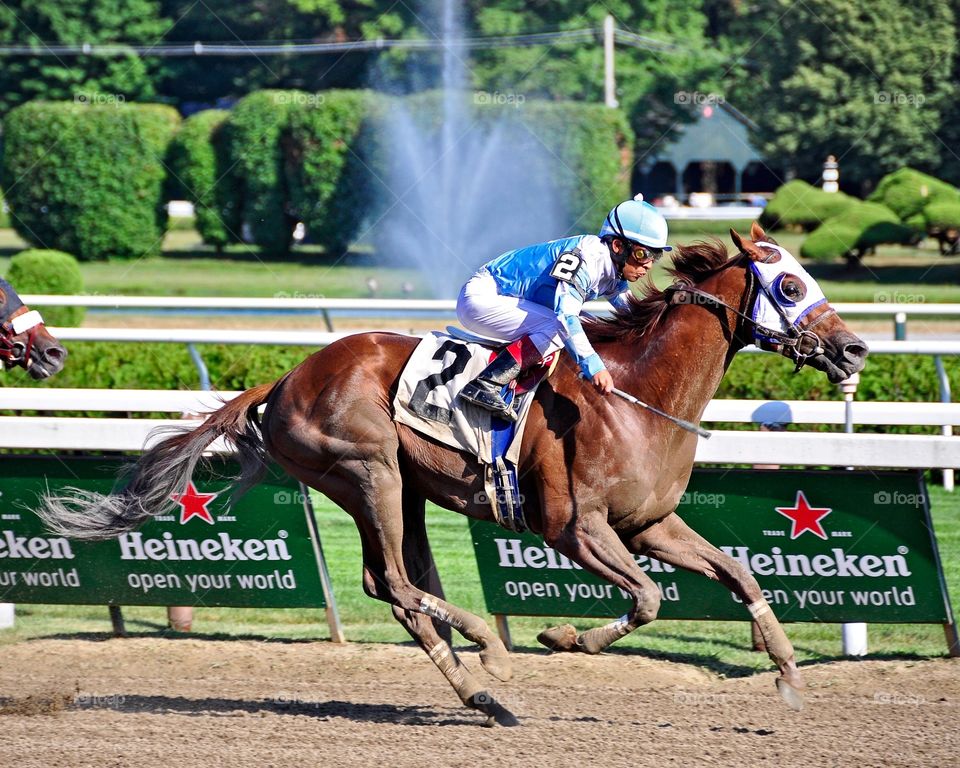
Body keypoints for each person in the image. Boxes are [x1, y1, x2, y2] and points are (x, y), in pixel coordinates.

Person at [457, 194, 672, 421]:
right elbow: (565, 317)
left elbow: (632, 314)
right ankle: (487, 383)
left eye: (654, 256)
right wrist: (594, 366)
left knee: (590, 323)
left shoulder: (613, 270)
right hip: (482, 297)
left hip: (506, 300)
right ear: (618, 246)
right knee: (558, 324)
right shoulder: (586, 259)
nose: (648, 265)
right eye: (642, 254)